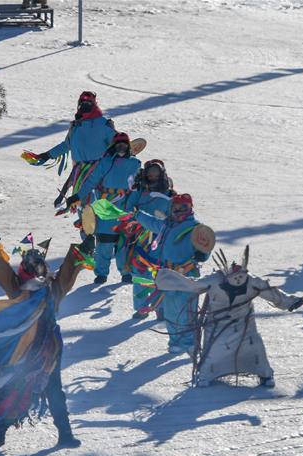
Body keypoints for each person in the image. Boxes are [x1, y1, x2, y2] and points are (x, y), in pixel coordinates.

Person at [0, 227, 95, 449]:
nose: (37, 270)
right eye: (33, 266)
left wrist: (81, 251)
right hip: (22, 350)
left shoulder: (52, 287)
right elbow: (3, 271)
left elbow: (68, 271)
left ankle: (65, 434)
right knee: (17, 389)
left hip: (48, 350)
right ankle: (1, 432)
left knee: (50, 390)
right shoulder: (20, 288)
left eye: (39, 265)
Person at [152, 247, 303, 388]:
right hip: (218, 328)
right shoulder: (215, 281)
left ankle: (265, 375)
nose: (238, 281)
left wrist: (290, 302)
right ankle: (205, 376)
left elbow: (271, 293)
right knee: (214, 353)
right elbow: (193, 285)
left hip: (245, 327)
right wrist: (164, 278)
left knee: (256, 351)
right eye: (235, 278)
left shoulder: (251, 280)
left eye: (240, 278)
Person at [133, 194, 210, 354]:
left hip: (186, 275)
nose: (178, 211)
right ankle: (175, 341)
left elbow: (206, 244)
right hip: (167, 274)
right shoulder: (166, 225)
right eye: (175, 208)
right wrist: (137, 214)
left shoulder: (196, 227)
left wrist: (203, 254)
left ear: (190, 209)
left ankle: (188, 342)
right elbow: (151, 222)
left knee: (186, 311)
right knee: (170, 310)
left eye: (183, 208)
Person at [64, 132, 141, 284]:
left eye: (124, 144)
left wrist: (133, 204)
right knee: (104, 243)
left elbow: (138, 187)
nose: (121, 147)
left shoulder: (135, 164)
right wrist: (78, 196)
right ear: (113, 146)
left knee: (123, 243)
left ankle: (126, 272)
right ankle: (101, 274)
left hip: (125, 208)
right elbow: (91, 181)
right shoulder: (104, 163)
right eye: (118, 144)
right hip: (105, 207)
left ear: (128, 146)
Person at [26, 91, 116, 208]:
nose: (85, 104)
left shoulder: (103, 124)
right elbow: (66, 145)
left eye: (89, 102)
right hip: (80, 175)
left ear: (94, 104)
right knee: (84, 211)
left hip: (100, 175)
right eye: (83, 102)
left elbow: (117, 142)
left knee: (100, 209)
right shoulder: (76, 126)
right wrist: (47, 155)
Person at [121, 159, 175, 318]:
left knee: (161, 273)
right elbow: (128, 209)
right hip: (142, 238)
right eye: (150, 173)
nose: (152, 176)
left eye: (156, 173)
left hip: (161, 239)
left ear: (162, 174)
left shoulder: (170, 194)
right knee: (141, 271)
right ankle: (141, 308)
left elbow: (176, 214)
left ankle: (161, 308)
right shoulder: (139, 191)